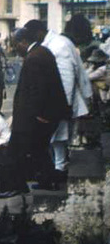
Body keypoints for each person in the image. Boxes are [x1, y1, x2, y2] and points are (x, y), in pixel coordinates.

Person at [10, 24, 70, 190]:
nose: (15, 49)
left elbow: (38, 89)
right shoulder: (41, 52)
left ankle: (48, 181)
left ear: (23, 42)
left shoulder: (34, 58)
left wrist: (39, 114)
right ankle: (47, 179)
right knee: (39, 147)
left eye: (15, 45)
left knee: (37, 147)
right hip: (48, 113)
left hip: (43, 115)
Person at [35, 19, 92, 178]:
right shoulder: (61, 43)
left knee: (57, 136)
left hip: (61, 101)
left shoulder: (59, 46)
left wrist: (63, 106)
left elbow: (67, 77)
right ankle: (58, 166)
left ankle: (59, 168)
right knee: (58, 137)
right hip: (62, 100)